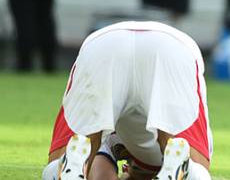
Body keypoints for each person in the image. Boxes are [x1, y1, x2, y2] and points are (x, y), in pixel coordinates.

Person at [42, 21, 213, 180]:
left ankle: (72, 166)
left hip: (104, 43)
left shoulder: (118, 145)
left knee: (72, 153)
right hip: (171, 46)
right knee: (195, 164)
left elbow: (101, 174)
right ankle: (187, 169)